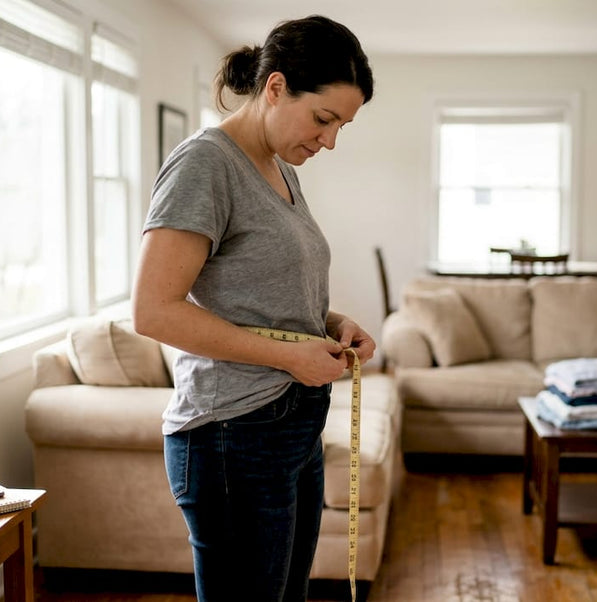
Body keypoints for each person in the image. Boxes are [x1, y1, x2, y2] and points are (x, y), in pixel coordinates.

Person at [131, 14, 375, 602]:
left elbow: (265, 293)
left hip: (292, 423)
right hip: (231, 434)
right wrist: (289, 359)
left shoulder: (283, 169)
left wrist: (333, 322)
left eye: (341, 125)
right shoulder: (205, 165)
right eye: (323, 118)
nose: (331, 140)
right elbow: (154, 311)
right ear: (274, 87)